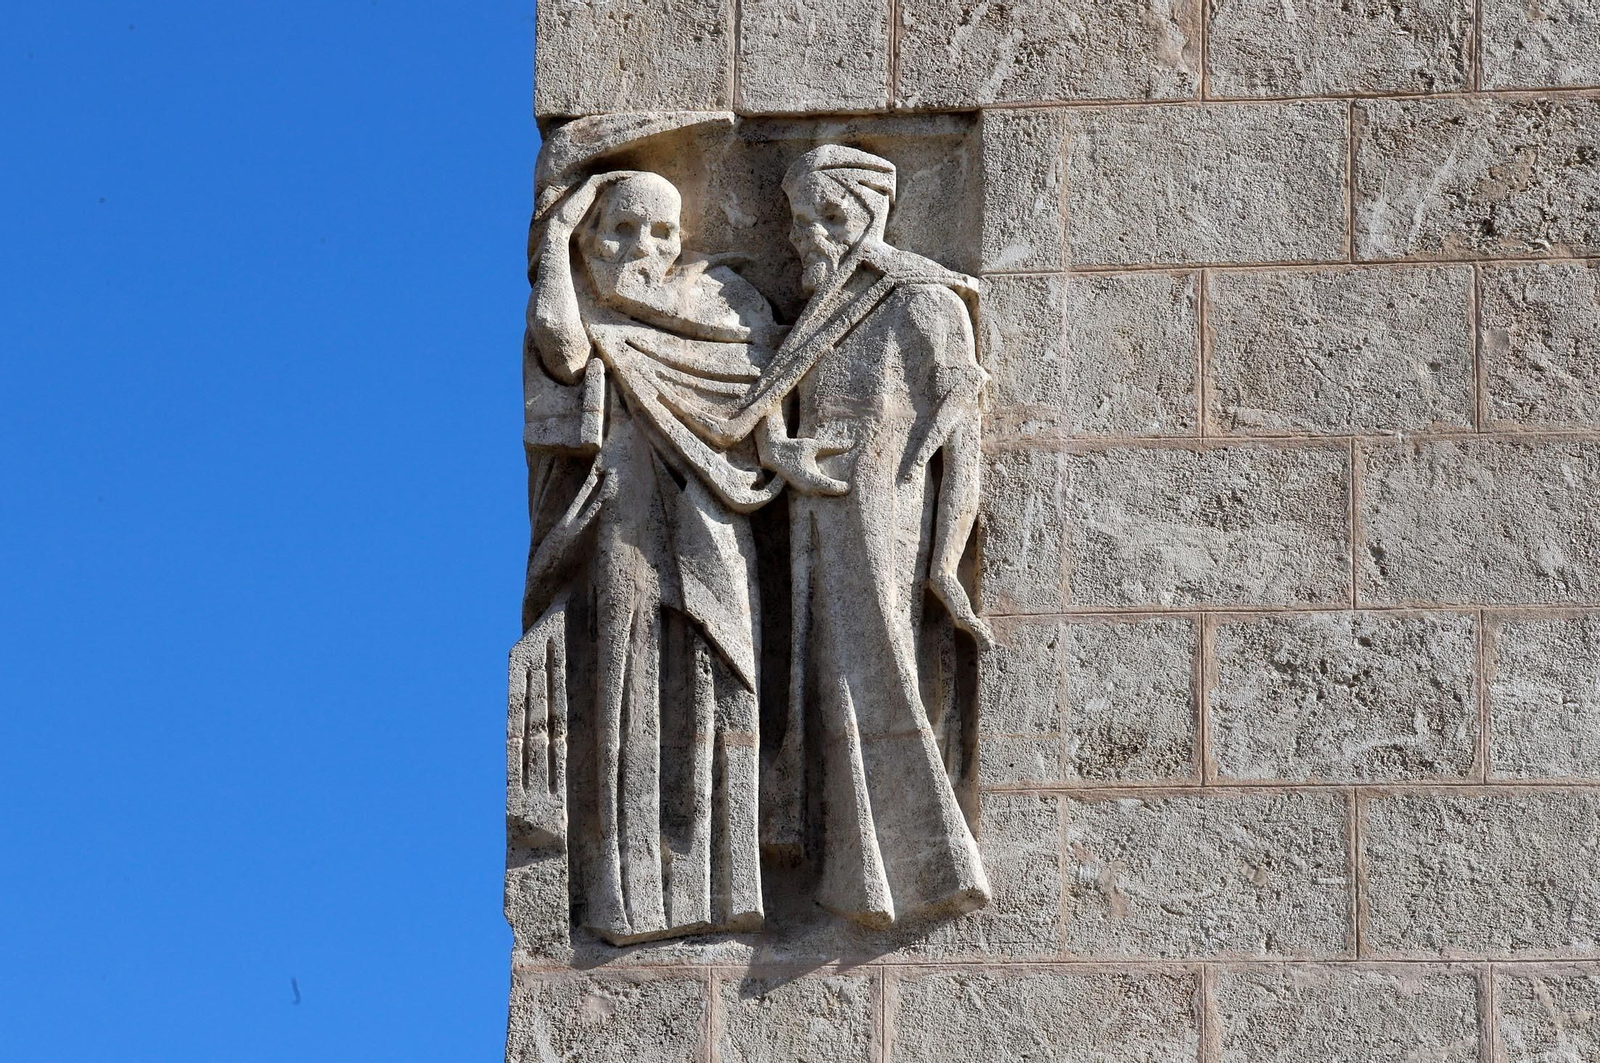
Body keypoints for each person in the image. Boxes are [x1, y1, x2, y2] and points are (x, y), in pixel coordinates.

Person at [683, 146, 994, 928]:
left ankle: (930, 862)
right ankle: (851, 871)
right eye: (799, 220)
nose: (808, 238)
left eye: (828, 217)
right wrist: (782, 453)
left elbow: (963, 437)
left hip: (885, 519)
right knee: (825, 687)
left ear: (868, 213)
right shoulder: (821, 309)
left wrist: (949, 563)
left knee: (880, 674)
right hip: (819, 521)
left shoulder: (922, 299)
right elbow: (772, 410)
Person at [519, 169, 787, 943]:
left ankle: (725, 882)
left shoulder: (722, 299)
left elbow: (753, 375)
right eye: (621, 231)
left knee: (718, 677)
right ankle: (628, 894)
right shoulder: (592, 311)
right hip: (625, 516)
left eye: (664, 232)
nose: (646, 249)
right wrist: (554, 248)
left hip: (713, 515)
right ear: (589, 241)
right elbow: (564, 350)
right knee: (629, 688)